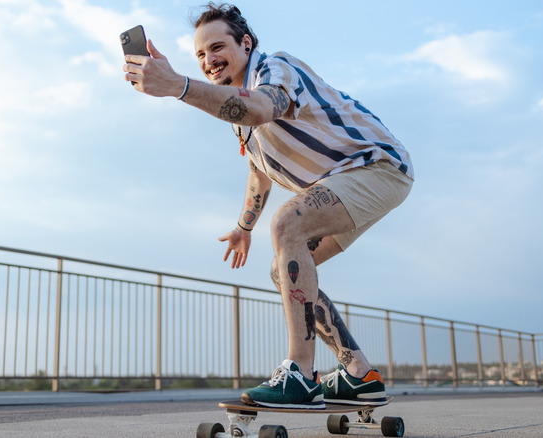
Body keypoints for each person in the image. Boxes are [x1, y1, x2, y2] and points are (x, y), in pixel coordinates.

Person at [123, 3, 413, 409]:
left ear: (246, 43)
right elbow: (259, 173)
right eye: (200, 55)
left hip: (377, 166)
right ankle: (359, 375)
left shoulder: (276, 68)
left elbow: (262, 105)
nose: (209, 60)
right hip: (343, 186)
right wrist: (243, 227)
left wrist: (178, 85)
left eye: (217, 47)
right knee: (283, 268)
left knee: (287, 224)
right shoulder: (239, 117)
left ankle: (301, 374)